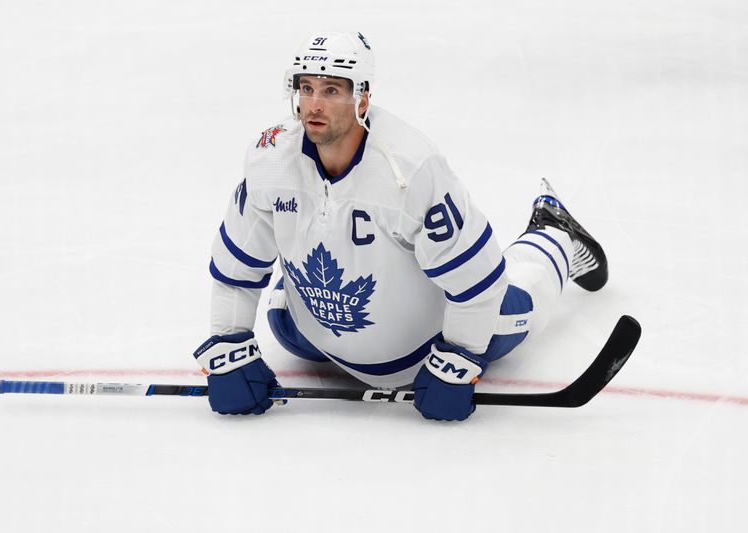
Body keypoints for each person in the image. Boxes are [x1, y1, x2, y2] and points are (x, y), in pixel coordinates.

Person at [192, 31, 608, 421]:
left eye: (332, 90)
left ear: (363, 97)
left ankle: (556, 234)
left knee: (511, 312)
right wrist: (228, 343)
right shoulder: (269, 159)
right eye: (306, 88)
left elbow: (478, 280)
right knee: (281, 319)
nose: (313, 105)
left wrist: (457, 359)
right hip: (312, 332)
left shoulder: (410, 167)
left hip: (426, 341)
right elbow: (236, 266)